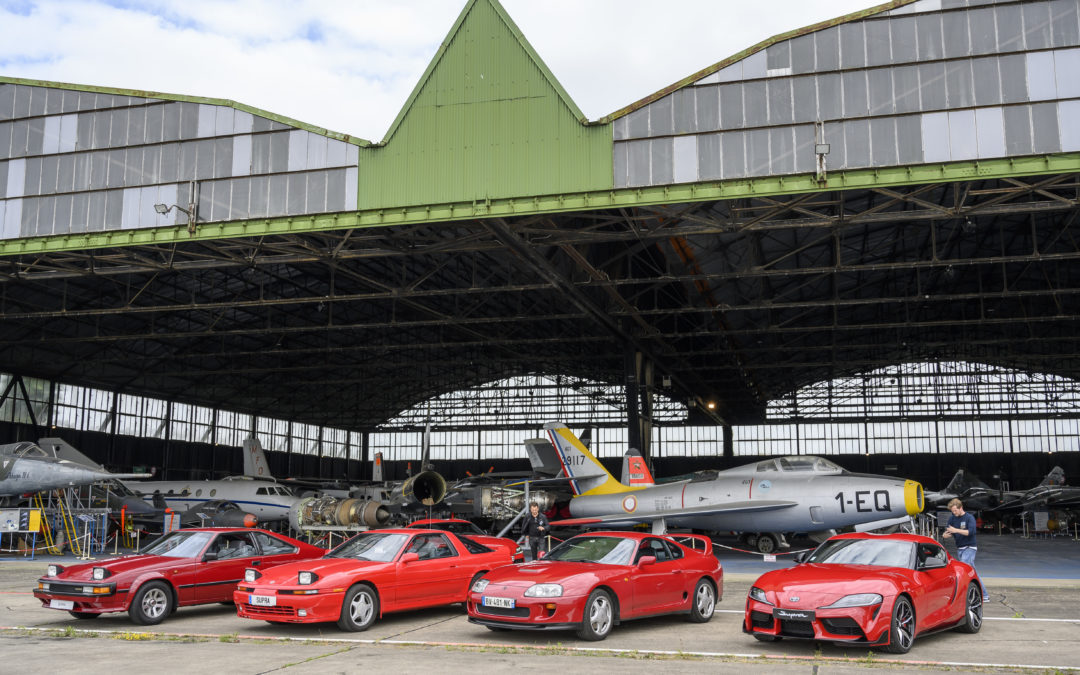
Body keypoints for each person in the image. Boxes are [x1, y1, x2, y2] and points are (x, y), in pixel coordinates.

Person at [942, 497, 989, 602]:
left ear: (960, 508)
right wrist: (945, 535)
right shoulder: (952, 518)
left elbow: (970, 532)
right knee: (972, 572)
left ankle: (962, 596)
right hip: (960, 548)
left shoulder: (969, 518)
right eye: (952, 511)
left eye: (955, 510)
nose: (954, 513)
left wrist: (956, 530)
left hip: (969, 547)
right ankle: (984, 595)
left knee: (962, 569)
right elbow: (949, 531)